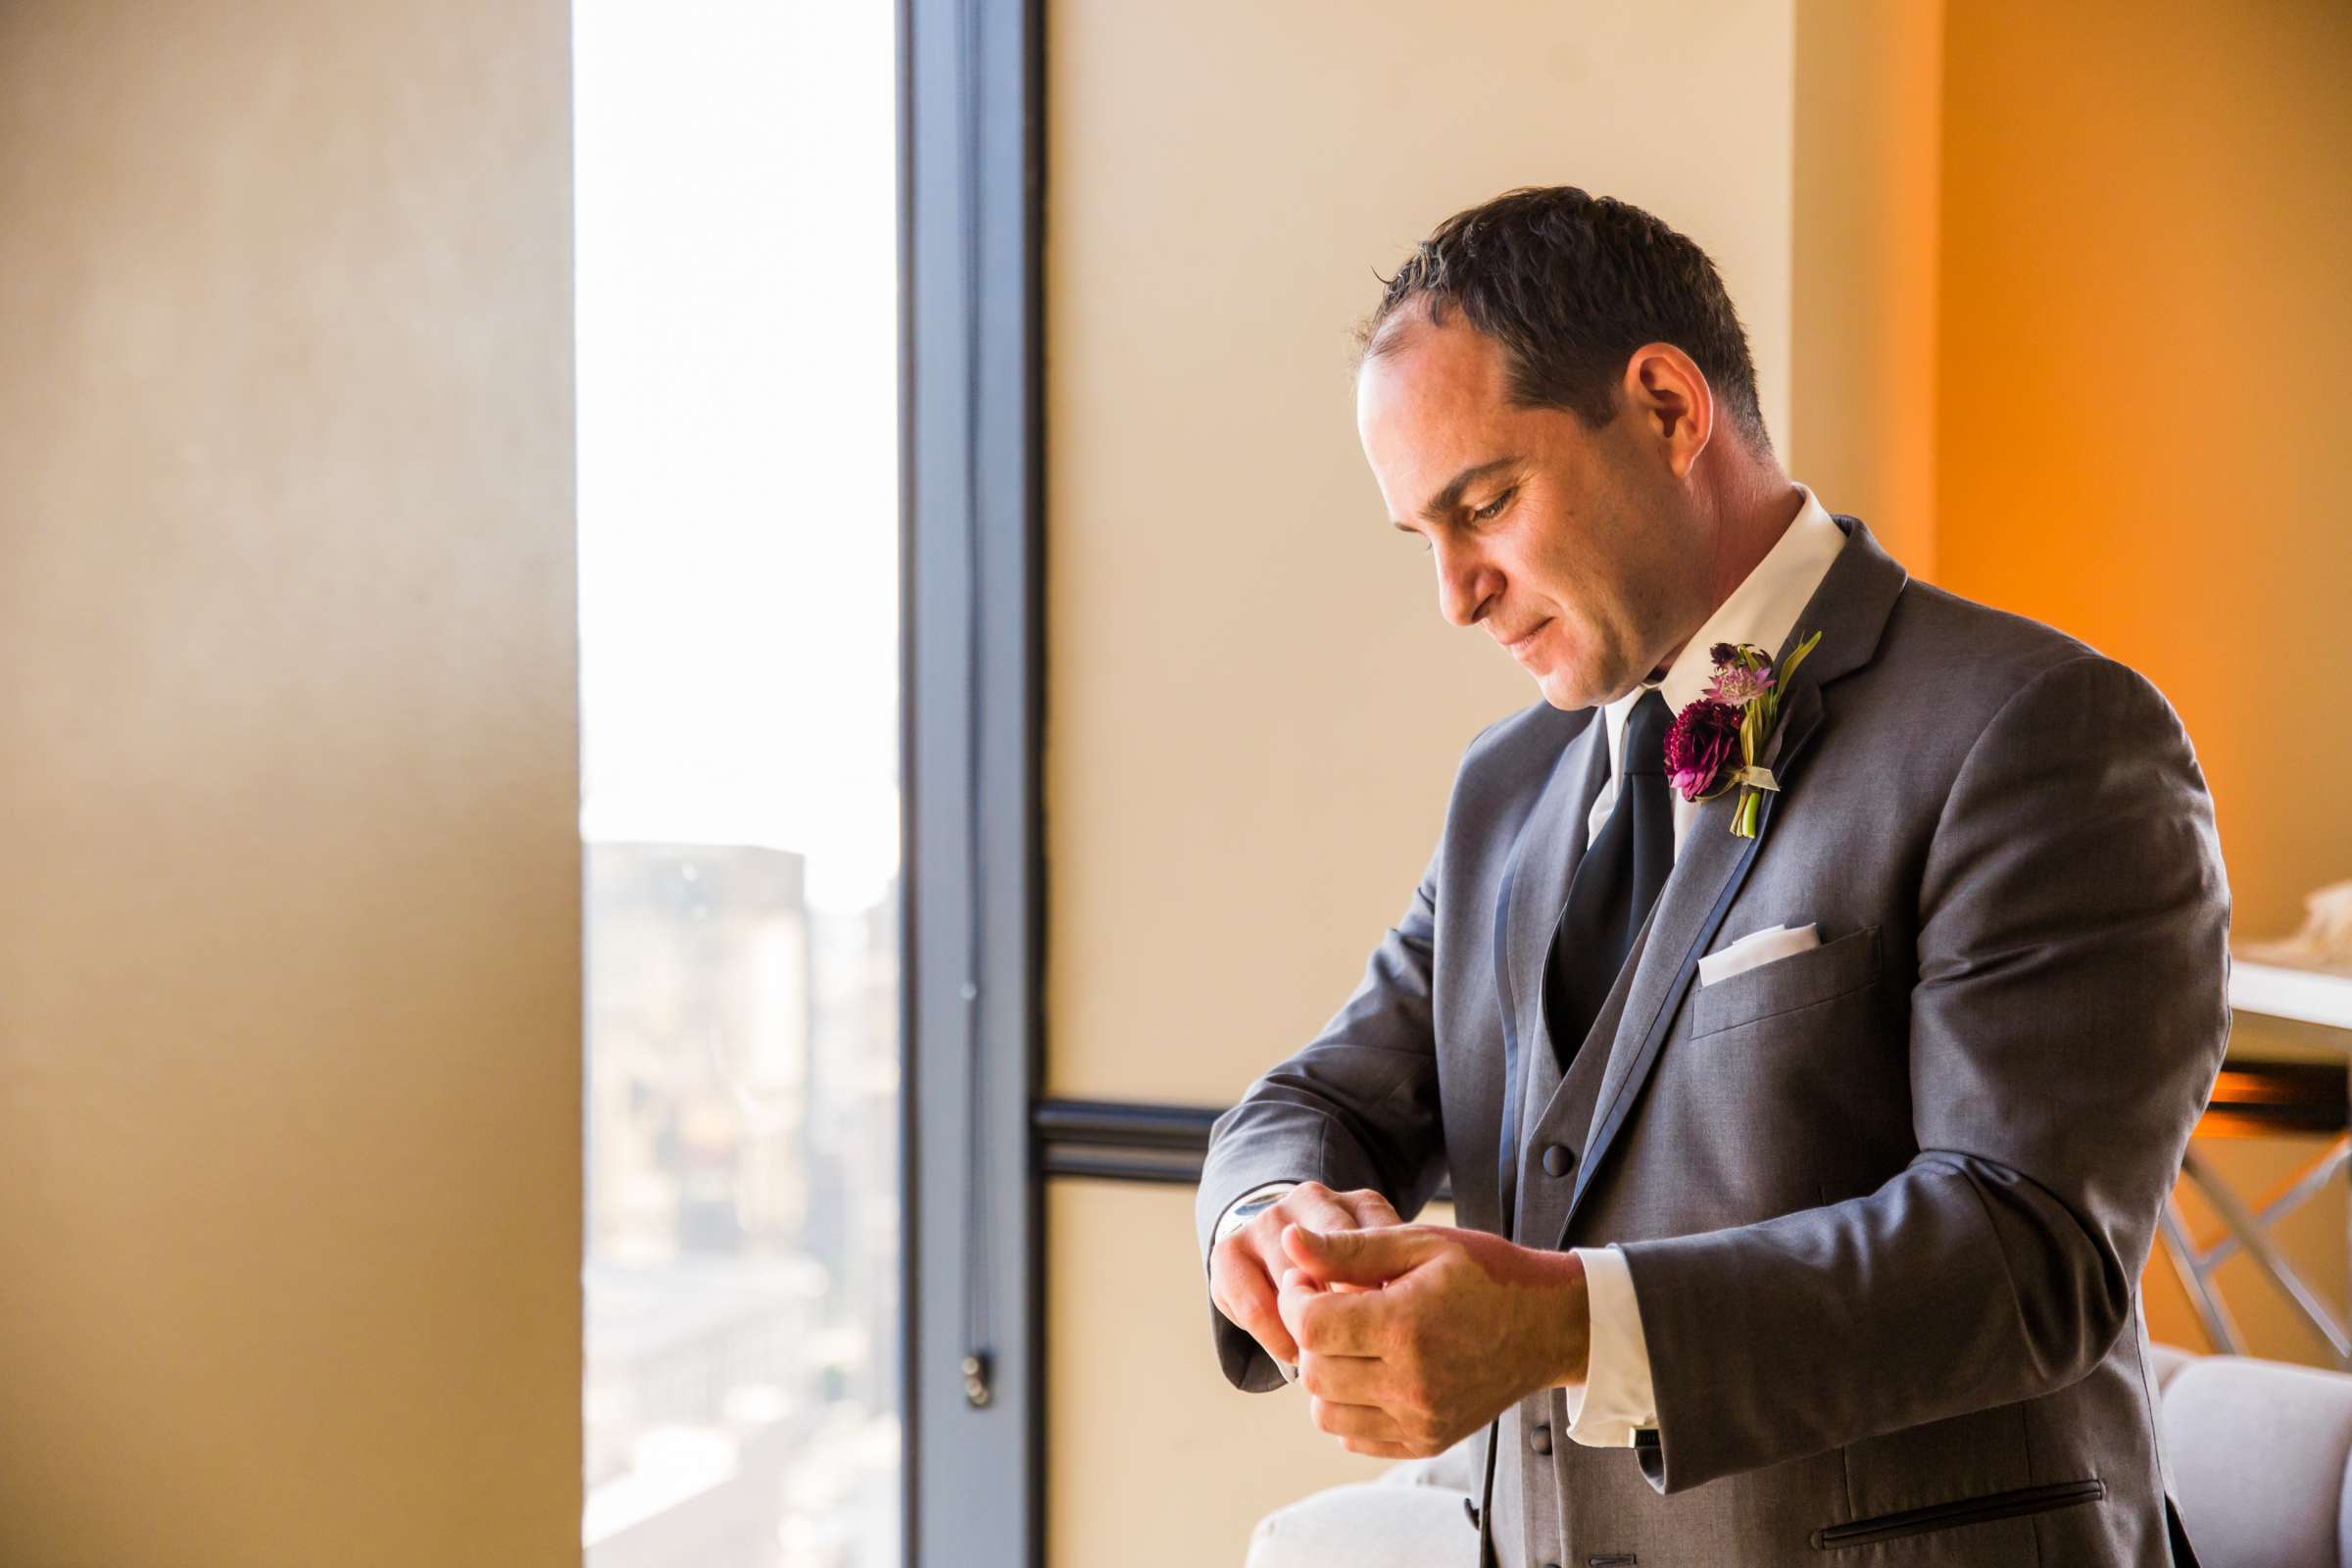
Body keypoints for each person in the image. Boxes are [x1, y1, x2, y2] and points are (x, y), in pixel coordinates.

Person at [1196, 185, 2227, 1568]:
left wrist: (1564, 1322)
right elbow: (1317, 1099)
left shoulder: (2041, 730)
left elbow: (2027, 1257)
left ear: (1671, 410)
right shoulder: (1505, 795)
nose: (1457, 593)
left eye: (1486, 503)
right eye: (1423, 539)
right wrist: (1275, 1220)